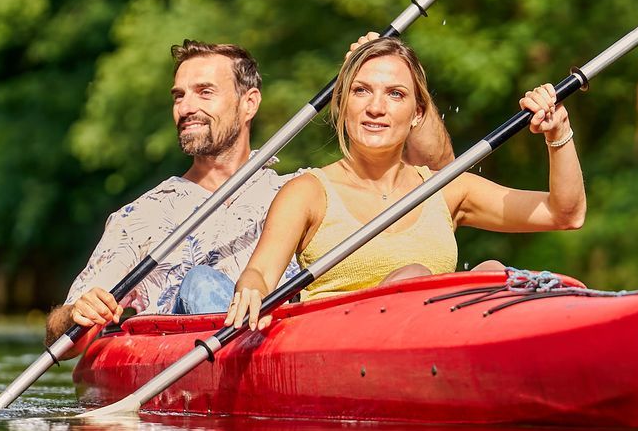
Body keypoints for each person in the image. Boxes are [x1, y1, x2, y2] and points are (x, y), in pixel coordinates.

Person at [49, 38, 452, 345]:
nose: (186, 106)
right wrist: (75, 314)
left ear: (249, 104)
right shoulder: (141, 217)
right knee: (202, 284)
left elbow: (436, 176)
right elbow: (58, 337)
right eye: (179, 95)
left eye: (205, 92)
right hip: (188, 365)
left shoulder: (301, 189)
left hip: (292, 353)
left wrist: (386, 71)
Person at [224, 36, 584, 330]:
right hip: (349, 351)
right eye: (361, 91)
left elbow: (565, 213)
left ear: (417, 115)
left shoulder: (445, 189)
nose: (376, 108)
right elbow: (259, 273)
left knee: (491, 273)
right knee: (413, 275)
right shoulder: (307, 192)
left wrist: (559, 131)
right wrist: (252, 289)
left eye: (395, 94)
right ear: (342, 104)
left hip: (444, 346)